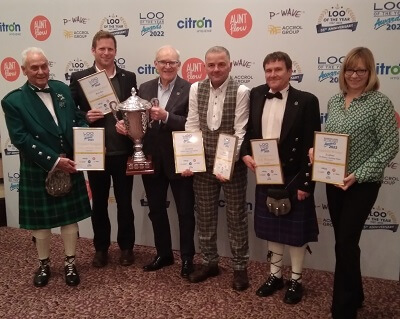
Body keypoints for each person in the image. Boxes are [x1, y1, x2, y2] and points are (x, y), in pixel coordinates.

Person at [310, 47, 399, 319]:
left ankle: (343, 309)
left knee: (346, 243)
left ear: (370, 72)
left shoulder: (380, 103)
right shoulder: (335, 102)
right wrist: (317, 151)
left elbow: (390, 145)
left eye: (361, 70)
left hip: (362, 183)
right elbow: (330, 139)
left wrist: (358, 173)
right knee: (345, 242)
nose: (354, 75)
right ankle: (357, 293)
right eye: (349, 69)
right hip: (334, 181)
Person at [1, 47, 91, 287]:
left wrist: (87, 137)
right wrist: (53, 160)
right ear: (24, 70)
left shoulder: (61, 89)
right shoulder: (13, 101)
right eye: (34, 67)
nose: (41, 71)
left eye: (44, 66)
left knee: (69, 219)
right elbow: (20, 139)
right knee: (41, 223)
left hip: (69, 162)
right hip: (40, 167)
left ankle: (70, 262)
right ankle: (44, 264)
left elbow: (76, 118)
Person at [241, 51, 321, 304]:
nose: (272, 74)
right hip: (266, 173)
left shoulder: (307, 100)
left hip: (294, 176)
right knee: (273, 231)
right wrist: (244, 154)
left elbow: (312, 145)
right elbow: (246, 131)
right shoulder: (255, 94)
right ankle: (275, 275)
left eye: (278, 69)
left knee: (295, 236)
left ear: (290, 71)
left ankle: (296, 280)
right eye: (268, 70)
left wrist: (307, 183)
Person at [116, 45, 195, 277]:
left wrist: (167, 116)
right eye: (163, 62)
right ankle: (164, 254)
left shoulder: (190, 89)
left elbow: (193, 124)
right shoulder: (145, 87)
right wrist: (127, 127)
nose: (167, 66)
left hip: (181, 161)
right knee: (157, 210)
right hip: (151, 158)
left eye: (172, 62)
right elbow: (139, 121)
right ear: (155, 64)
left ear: (179, 65)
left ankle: (188, 258)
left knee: (185, 213)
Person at [184, 46, 250, 291]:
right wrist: (190, 160)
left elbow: (240, 131)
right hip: (202, 164)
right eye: (210, 65)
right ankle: (210, 262)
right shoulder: (195, 88)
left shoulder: (241, 91)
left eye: (221, 64)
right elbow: (192, 124)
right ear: (205, 66)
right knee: (205, 215)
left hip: (230, 165)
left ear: (230, 65)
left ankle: (240, 267)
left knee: (236, 217)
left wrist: (227, 163)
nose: (216, 69)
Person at [70, 30, 137, 267]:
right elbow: (70, 111)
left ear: (115, 51)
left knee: (125, 202)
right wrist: (84, 115)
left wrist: (128, 126)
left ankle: (127, 247)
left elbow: (135, 112)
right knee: (98, 203)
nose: (106, 53)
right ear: (93, 51)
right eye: (102, 49)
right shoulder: (80, 77)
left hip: (122, 151)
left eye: (110, 49)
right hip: (94, 153)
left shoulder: (128, 77)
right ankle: (101, 248)